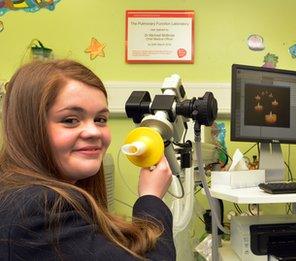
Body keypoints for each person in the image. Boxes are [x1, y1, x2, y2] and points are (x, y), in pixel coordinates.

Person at [0, 59, 176, 260]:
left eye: (100, 119)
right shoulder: (36, 210)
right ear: (30, 128)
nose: (93, 132)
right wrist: (151, 198)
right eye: (70, 120)